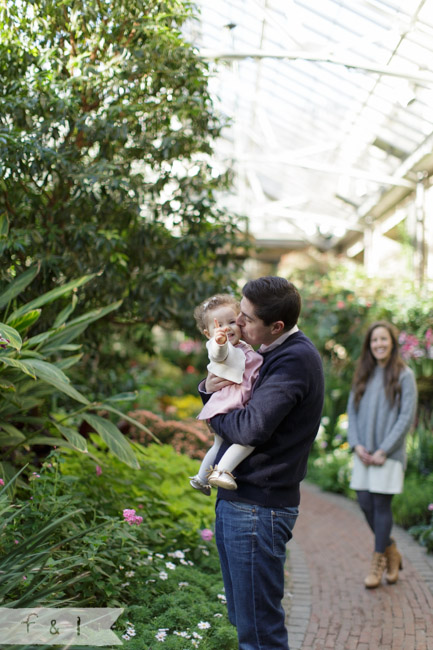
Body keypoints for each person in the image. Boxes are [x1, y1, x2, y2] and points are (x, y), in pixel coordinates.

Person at [198, 276, 324, 650]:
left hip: (258, 509)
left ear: (277, 326)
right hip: (243, 503)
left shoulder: (293, 361)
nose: (236, 324)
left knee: (260, 633)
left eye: (246, 319)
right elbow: (230, 390)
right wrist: (207, 390)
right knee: (245, 620)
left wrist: (209, 416)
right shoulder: (267, 348)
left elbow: (251, 427)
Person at [347, 320, 418, 589]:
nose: (379, 344)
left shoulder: (404, 375)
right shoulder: (363, 374)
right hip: (364, 452)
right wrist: (356, 445)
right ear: (369, 345)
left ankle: (377, 563)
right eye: (375, 340)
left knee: (381, 505)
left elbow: (405, 417)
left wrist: (383, 450)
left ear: (392, 343)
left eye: (384, 339)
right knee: (365, 502)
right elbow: (352, 412)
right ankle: (391, 550)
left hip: (388, 455)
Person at [189, 294, 263, 495]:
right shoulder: (222, 347)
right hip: (230, 402)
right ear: (208, 333)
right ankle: (222, 472)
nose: (226, 328)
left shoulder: (243, 346)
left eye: (231, 322)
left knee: (219, 444)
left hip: (227, 401)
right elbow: (217, 353)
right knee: (246, 440)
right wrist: (220, 342)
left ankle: (201, 478)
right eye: (218, 325)